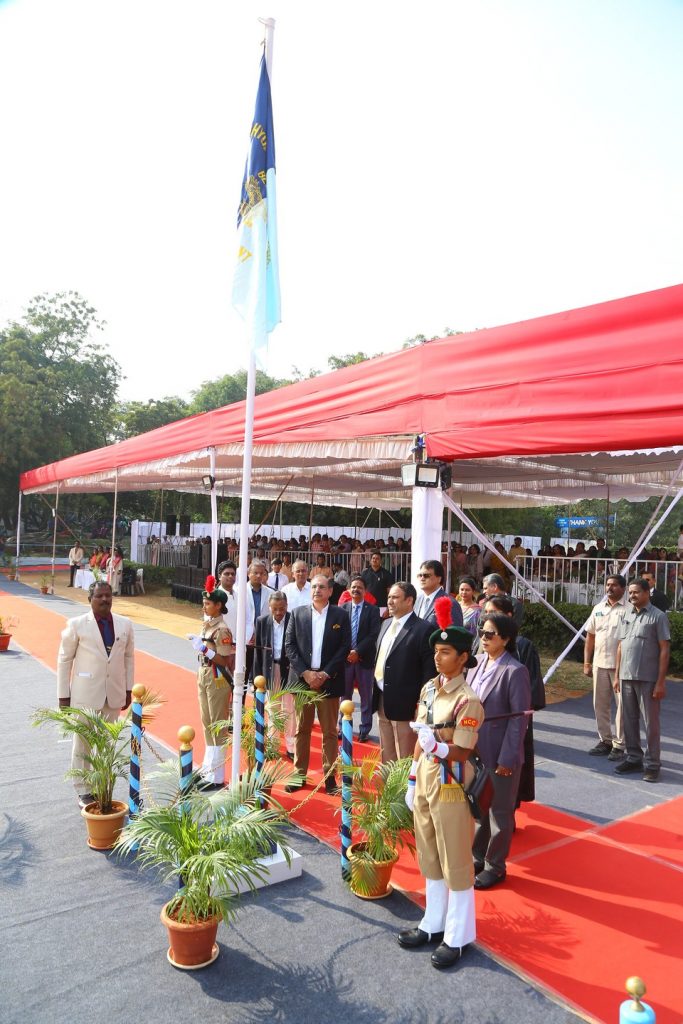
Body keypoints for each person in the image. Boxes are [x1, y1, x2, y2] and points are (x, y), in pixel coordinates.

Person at [398, 609, 483, 970]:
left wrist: (437, 747)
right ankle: (433, 922)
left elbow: (463, 749)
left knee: (456, 860)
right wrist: (412, 776)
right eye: (436, 651)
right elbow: (421, 735)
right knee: (429, 855)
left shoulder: (467, 699)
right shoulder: (429, 689)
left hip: (451, 783)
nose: (438, 657)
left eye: (446, 652)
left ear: (463, 658)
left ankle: (458, 935)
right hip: (426, 778)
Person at [57, 581, 134, 808]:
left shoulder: (125, 624)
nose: (104, 599)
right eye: (99, 596)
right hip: (85, 695)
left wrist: (128, 689)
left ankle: (102, 786)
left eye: (108, 595)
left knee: (107, 744)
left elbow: (129, 658)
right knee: (83, 743)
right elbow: (64, 660)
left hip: (113, 694)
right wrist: (63, 695)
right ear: (90, 599)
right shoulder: (76, 624)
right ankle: (83, 790)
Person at [467, 613, 531, 889]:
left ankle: (495, 866)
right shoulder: (476, 663)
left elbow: (518, 720)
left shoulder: (515, 671)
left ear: (505, 639)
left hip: (500, 753)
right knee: (479, 807)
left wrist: (508, 757)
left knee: (499, 813)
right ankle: (477, 856)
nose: (483, 637)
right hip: (474, 750)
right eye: (481, 632)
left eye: (490, 634)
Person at [284, 574, 351, 794]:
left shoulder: (341, 615)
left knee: (329, 732)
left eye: (322, 587)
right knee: (301, 730)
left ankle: (330, 779)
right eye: (313, 587)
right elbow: (290, 646)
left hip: (329, 682)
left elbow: (344, 647)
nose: (317, 590)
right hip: (303, 682)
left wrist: (324, 673)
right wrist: (306, 673)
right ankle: (299, 775)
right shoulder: (297, 613)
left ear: (330, 591)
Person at [482, 595, 544, 805]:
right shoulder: (480, 645)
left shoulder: (523, 647)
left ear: (509, 615)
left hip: (510, 716)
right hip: (484, 729)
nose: (488, 617)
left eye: (494, 612)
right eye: (486, 612)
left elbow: (531, 688)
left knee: (508, 779)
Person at [614, 579, 670, 783]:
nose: (632, 596)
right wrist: (617, 675)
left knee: (650, 723)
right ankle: (633, 758)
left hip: (648, 679)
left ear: (647, 593)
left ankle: (653, 764)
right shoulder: (626, 614)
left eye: (636, 592)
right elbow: (621, 646)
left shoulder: (658, 616)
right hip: (626, 676)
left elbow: (664, 650)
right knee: (629, 720)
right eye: (630, 592)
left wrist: (660, 682)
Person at [372, 582, 433, 762]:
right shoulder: (385, 624)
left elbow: (429, 673)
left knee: (405, 757)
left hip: (407, 705)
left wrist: (421, 705)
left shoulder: (424, 629)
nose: (390, 601)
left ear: (409, 600)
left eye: (395, 597)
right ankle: (389, 782)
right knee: (387, 755)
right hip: (382, 698)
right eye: (389, 597)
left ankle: (406, 783)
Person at [187, 576, 235, 787]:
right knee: (207, 723)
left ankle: (216, 775)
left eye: (208, 603)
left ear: (218, 605)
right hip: (204, 672)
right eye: (204, 603)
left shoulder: (221, 629)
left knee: (217, 725)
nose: (204, 606)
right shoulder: (207, 624)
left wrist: (204, 649)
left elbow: (224, 659)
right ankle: (208, 768)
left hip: (217, 677)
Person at [583, 574, 628, 759]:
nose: (609, 588)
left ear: (623, 589)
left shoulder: (629, 610)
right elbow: (590, 637)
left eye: (614, 585)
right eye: (608, 584)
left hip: (621, 668)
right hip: (599, 664)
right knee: (599, 705)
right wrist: (587, 662)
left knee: (622, 707)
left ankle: (620, 744)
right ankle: (605, 740)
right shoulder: (598, 608)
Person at [340, 576, 381, 742]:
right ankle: (343, 727)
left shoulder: (373, 610)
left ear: (365, 591)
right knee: (345, 695)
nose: (356, 590)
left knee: (365, 697)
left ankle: (365, 729)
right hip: (346, 660)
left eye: (359, 587)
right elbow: (339, 633)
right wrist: (348, 652)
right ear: (349, 590)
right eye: (353, 587)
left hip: (364, 659)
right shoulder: (343, 609)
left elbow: (373, 634)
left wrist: (357, 651)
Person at [253, 591, 294, 760]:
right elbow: (258, 651)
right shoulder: (262, 621)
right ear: (269, 607)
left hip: (289, 671)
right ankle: (273, 745)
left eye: (282, 608)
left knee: (289, 709)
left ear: (286, 606)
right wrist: (256, 678)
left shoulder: (293, 619)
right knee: (272, 707)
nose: (278, 612)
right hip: (269, 669)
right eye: (275, 609)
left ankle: (291, 746)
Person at [414, 560, 463, 628]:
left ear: (439, 579)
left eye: (426, 575)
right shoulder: (417, 600)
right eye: (420, 575)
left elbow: (454, 632)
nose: (422, 578)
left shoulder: (450, 603)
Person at [361, 550, 394, 615]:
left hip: (382, 607)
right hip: (367, 606)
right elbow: (361, 589)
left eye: (377, 559)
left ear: (381, 561)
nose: (374, 560)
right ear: (370, 560)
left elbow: (390, 592)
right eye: (373, 558)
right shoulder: (364, 573)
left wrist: (388, 608)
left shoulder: (387, 574)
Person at [216, 560, 238, 649]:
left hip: (239, 645)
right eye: (227, 574)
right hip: (220, 645)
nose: (230, 576)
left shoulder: (240, 596)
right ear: (219, 576)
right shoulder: (214, 596)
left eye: (233, 574)